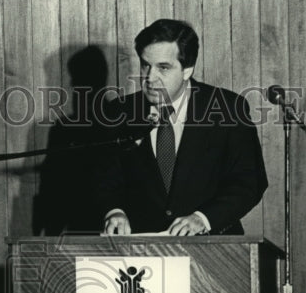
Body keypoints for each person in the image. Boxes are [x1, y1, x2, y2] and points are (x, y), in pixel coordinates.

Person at [97, 19, 267, 235]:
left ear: (187, 70)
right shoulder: (120, 111)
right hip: (139, 251)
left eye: (163, 68)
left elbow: (249, 181)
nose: (150, 78)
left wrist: (203, 219)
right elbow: (104, 176)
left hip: (212, 248)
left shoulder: (227, 108)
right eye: (145, 65)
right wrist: (114, 211)